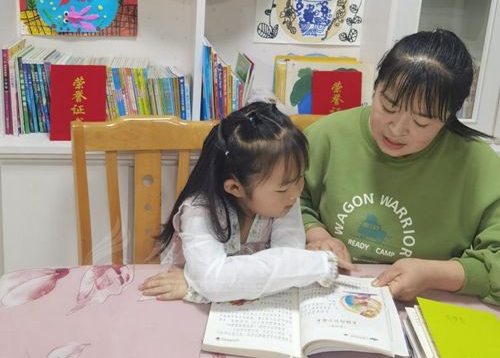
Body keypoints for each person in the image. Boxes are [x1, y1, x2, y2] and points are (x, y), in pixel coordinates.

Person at [302, 29, 500, 305]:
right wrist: (315, 232)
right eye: (388, 106)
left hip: (432, 306)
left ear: (449, 116)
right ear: (376, 87)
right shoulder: (327, 136)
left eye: (421, 122)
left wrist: (435, 274)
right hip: (330, 295)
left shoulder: (481, 167)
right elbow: (287, 199)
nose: (396, 129)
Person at [139, 101, 349, 303]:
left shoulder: (285, 201)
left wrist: (208, 284)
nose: (296, 193)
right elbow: (214, 282)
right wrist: (318, 265)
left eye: (300, 177)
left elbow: (289, 258)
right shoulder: (199, 211)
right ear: (235, 188)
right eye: (283, 188)